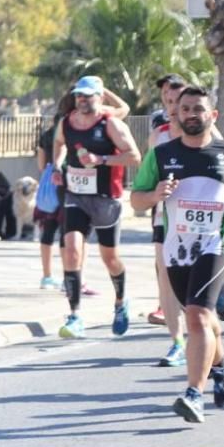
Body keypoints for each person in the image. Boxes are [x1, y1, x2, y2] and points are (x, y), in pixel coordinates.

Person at [131, 86, 224, 423]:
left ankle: (193, 394)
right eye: (185, 108)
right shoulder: (161, 154)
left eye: (198, 109)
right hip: (177, 247)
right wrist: (155, 194)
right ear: (177, 114)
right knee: (201, 318)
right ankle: (222, 364)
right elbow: (136, 199)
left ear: (212, 115)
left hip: (216, 243)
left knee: (198, 316)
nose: (191, 114)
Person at [52, 76, 141, 338]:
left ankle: (121, 301)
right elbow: (58, 144)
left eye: (88, 96)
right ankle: (75, 315)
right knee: (72, 250)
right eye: (79, 95)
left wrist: (101, 159)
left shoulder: (111, 124)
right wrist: (57, 165)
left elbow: (134, 157)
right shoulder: (67, 123)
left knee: (109, 259)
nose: (82, 100)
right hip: (75, 195)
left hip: (105, 197)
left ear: (99, 98)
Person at [144, 76, 188, 367]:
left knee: (192, 276)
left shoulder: (206, 132)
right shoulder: (158, 136)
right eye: (168, 101)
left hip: (201, 220)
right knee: (165, 274)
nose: (173, 108)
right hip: (164, 214)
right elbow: (146, 178)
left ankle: (218, 291)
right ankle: (177, 343)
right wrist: (152, 193)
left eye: (178, 102)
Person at [35, 113, 63, 290]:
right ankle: (71, 275)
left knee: (48, 232)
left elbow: (41, 165)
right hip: (68, 183)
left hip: (49, 184)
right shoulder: (74, 131)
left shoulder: (45, 136)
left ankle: (47, 276)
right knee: (69, 233)